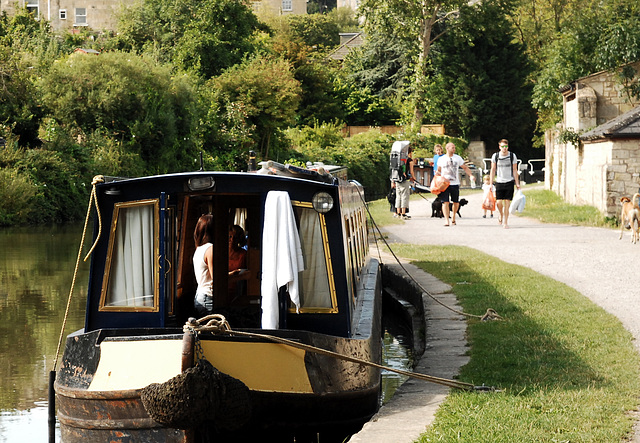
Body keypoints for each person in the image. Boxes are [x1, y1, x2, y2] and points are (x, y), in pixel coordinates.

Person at [436, 142, 473, 226]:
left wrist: (470, 175)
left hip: (455, 183)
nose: (454, 149)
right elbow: (439, 170)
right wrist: (436, 178)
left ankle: (453, 217)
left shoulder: (458, 158)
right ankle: (446, 220)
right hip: (444, 183)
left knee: (455, 202)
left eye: (454, 147)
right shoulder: (441, 159)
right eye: (452, 147)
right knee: (445, 202)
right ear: (447, 148)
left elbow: (465, 167)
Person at [489, 139, 521, 229]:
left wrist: (517, 183)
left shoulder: (512, 155)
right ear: (499, 147)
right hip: (499, 181)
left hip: (509, 181)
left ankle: (505, 222)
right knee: (499, 203)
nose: (504, 148)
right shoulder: (495, 156)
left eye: (506, 146)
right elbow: (493, 169)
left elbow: (515, 170)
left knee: (507, 203)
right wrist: (491, 183)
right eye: (502, 146)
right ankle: (501, 214)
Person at [193, 214, 215, 316]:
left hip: (200, 295)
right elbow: (216, 280)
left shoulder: (199, 249)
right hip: (208, 297)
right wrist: (241, 276)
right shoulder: (210, 249)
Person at [391, 146, 415, 220]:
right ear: (409, 152)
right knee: (404, 196)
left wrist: (393, 181)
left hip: (397, 179)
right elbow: (411, 171)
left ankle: (398, 213)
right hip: (405, 180)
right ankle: (403, 214)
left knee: (398, 197)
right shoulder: (409, 160)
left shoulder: (397, 159)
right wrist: (413, 178)